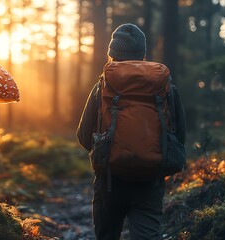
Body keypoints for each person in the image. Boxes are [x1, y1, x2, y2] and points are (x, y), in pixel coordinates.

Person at [76, 23, 186, 240]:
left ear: (112, 54)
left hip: (109, 181)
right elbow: (179, 137)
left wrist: (110, 151)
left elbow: (83, 135)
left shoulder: (103, 86)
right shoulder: (165, 89)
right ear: (143, 54)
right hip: (150, 181)